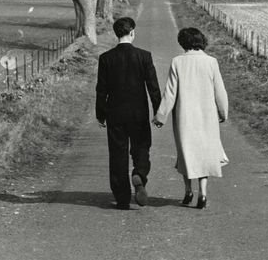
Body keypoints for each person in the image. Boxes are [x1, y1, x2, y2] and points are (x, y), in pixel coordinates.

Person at [153, 28, 228, 209]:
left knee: (186, 153)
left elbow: (170, 92)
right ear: (201, 41)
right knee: (204, 153)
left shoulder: (178, 62)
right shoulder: (211, 62)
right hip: (207, 115)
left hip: (184, 116)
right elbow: (220, 91)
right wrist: (223, 112)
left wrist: (161, 116)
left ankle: (188, 191)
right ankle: (203, 193)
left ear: (183, 43)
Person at [96, 17, 161, 210]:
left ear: (117, 34)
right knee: (142, 147)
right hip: (138, 113)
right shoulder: (144, 56)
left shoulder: (106, 58)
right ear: (132, 32)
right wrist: (159, 112)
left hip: (115, 113)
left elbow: (101, 90)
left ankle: (122, 198)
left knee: (117, 154)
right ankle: (139, 174)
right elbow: (153, 88)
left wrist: (101, 114)